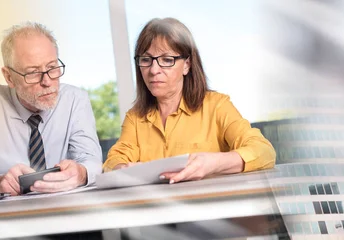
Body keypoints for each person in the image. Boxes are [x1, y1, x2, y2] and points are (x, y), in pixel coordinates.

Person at [103, 18, 276, 183]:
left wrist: (212, 163)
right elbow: (114, 160)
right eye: (146, 60)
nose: (153, 70)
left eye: (166, 60)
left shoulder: (217, 106)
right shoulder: (135, 118)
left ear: (187, 65)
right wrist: (123, 168)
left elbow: (264, 151)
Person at [0, 22, 102, 196]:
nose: (47, 82)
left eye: (52, 68)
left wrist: (81, 173)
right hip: (5, 216)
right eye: (33, 73)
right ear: (9, 77)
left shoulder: (75, 99)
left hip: (64, 208)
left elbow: (93, 162)